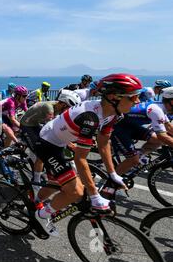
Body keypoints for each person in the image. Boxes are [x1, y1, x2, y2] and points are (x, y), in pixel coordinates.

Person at [32, 73, 142, 236]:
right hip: (47, 142)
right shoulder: (90, 117)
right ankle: (40, 216)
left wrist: (112, 174)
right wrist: (94, 195)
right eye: (133, 97)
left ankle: (36, 201)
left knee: (57, 182)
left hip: (60, 141)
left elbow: (104, 141)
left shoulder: (113, 113)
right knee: (75, 191)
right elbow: (81, 157)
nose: (137, 101)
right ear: (113, 97)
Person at [20, 90, 82, 191]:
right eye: (68, 108)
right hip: (27, 125)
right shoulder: (49, 109)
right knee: (40, 154)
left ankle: (44, 170)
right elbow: (53, 129)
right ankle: (36, 181)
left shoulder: (58, 107)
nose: (68, 111)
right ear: (62, 103)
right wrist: (69, 143)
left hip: (36, 124)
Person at [113, 86, 173, 175]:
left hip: (130, 125)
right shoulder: (157, 110)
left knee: (156, 140)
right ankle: (110, 184)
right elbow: (162, 136)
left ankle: (139, 157)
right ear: (171, 102)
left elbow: (169, 127)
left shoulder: (161, 107)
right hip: (119, 127)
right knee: (132, 160)